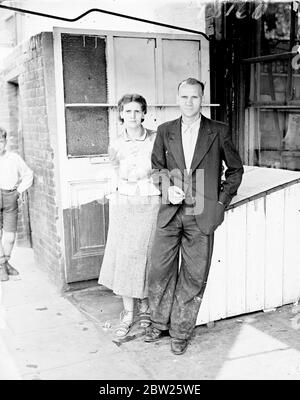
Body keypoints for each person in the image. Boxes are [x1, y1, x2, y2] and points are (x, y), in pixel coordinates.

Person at [144, 78, 244, 354]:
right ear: (177, 99)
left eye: (195, 97)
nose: (189, 102)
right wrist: (167, 187)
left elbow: (235, 170)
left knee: (193, 275)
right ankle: (158, 323)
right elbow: (157, 169)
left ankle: (180, 331)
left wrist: (221, 203)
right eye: (184, 97)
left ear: (202, 99)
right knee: (159, 270)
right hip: (170, 212)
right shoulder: (165, 131)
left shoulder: (218, 131)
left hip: (202, 212)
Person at [98, 94, 160, 337]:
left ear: (144, 113)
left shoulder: (155, 138)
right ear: (121, 114)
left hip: (150, 200)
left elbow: (163, 167)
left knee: (146, 253)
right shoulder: (116, 143)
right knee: (124, 255)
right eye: (127, 111)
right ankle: (128, 311)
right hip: (124, 202)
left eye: (137, 111)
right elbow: (113, 170)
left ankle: (145, 306)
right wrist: (114, 194)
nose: (132, 116)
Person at [0, 127, 33, 282]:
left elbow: (28, 174)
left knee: (10, 236)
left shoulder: (13, 158)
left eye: (0, 141)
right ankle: (2, 266)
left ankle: (4, 263)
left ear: (5, 141)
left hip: (9, 197)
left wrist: (18, 192)